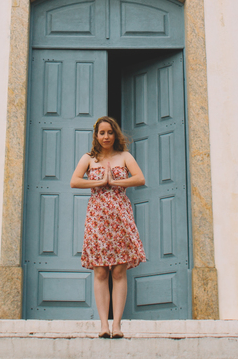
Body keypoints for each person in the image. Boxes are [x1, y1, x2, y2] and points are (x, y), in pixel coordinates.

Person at [70, 115, 146, 339]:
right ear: (96, 135)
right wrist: (99, 182)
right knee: (101, 271)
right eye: (102, 133)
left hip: (120, 216)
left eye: (110, 132)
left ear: (115, 135)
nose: (106, 137)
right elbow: (75, 181)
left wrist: (115, 182)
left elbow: (140, 178)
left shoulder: (124, 156)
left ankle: (117, 325)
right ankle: (104, 324)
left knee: (119, 271)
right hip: (97, 218)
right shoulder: (88, 158)